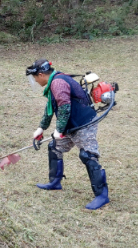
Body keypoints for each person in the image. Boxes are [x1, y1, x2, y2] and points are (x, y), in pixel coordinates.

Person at [25, 59, 109, 210]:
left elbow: (64, 107)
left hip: (84, 123)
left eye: (35, 78)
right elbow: (51, 106)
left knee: (88, 156)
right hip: (71, 124)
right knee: (54, 147)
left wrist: (58, 130)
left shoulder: (57, 83)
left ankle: (102, 195)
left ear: (42, 74)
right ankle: (55, 182)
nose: (35, 82)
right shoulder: (53, 81)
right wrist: (41, 128)